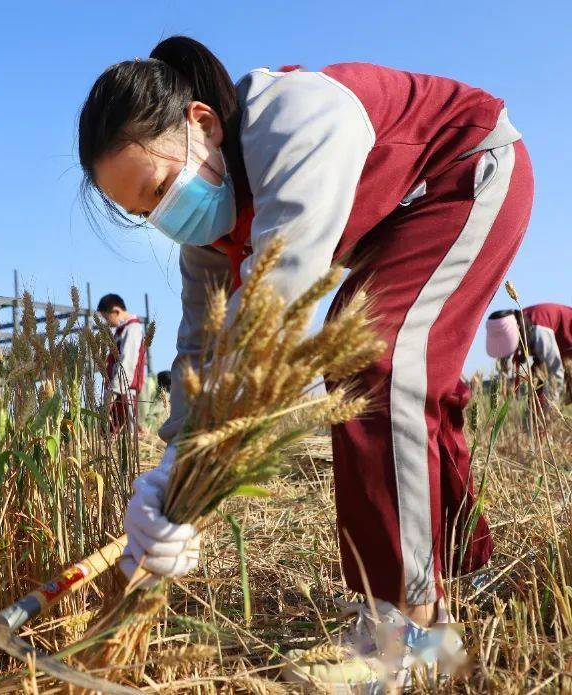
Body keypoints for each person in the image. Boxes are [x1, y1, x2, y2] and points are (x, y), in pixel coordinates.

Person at [77, 35, 533, 684]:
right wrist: (175, 461)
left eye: (158, 188)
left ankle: (405, 626)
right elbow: (200, 349)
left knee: (378, 369)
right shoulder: (209, 237)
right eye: (142, 212)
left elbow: (277, 300)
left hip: (466, 169)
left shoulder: (291, 118)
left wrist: (198, 467)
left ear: (200, 123)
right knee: (407, 377)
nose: (162, 217)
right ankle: (464, 567)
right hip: (396, 220)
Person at [486, 304, 571, 405]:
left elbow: (555, 372)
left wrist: (551, 410)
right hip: (551, 344)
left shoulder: (539, 331)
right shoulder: (517, 321)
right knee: (536, 390)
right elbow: (506, 356)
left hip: (567, 332)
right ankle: (534, 417)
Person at [98, 293, 147, 433]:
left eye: (107, 318)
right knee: (113, 434)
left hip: (124, 391)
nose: (107, 322)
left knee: (127, 434)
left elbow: (127, 363)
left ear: (116, 311)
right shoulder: (123, 330)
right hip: (118, 390)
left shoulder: (132, 329)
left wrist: (112, 393)